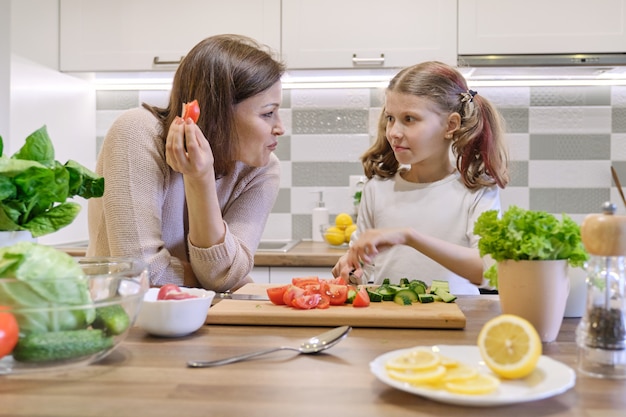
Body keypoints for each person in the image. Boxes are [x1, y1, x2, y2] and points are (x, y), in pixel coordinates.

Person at [87, 34, 286, 292]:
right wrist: (212, 280)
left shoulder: (263, 169)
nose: (280, 127)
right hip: (126, 320)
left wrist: (200, 178)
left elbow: (224, 276)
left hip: (207, 321)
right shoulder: (136, 132)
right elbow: (139, 271)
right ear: (219, 113)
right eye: (268, 113)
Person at [332, 61, 509, 295]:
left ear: (450, 125)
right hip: (390, 320)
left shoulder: (476, 190)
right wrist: (351, 270)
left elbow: (490, 273)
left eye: (409, 119)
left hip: (458, 323)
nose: (394, 132)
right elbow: (365, 267)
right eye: (391, 118)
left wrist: (409, 236)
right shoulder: (377, 188)